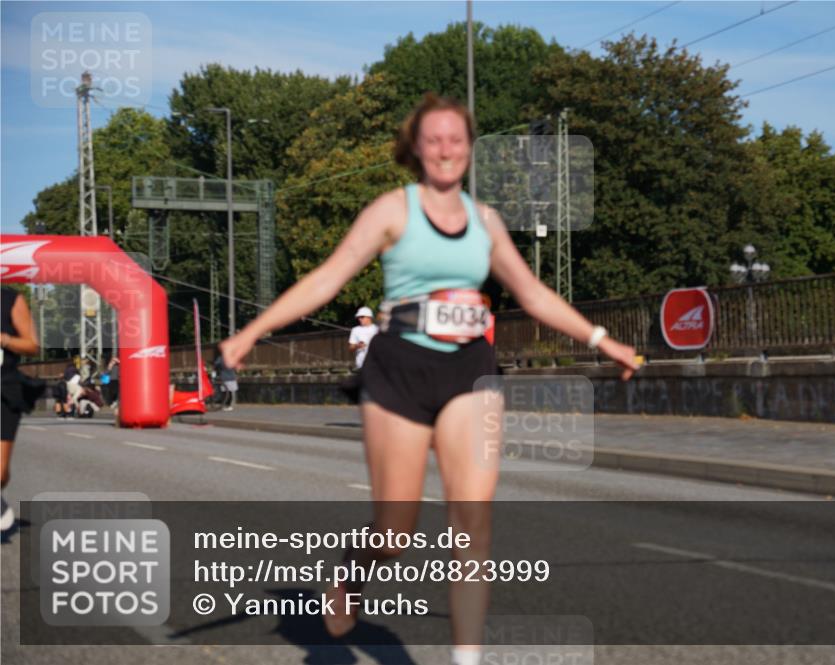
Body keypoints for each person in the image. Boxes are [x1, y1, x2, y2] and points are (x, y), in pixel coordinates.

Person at [219, 93, 638, 665]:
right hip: (399, 372)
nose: (446, 149)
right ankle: (352, 571)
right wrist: (251, 332)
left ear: (469, 150)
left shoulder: (485, 221)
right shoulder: (392, 211)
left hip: (469, 369)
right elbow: (328, 279)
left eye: (456, 140)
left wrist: (602, 339)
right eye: (434, 139)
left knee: (473, 521)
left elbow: (532, 293)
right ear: (416, 149)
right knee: (396, 532)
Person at [1, 287, 41, 531]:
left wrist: (4, 339)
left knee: (1, 472)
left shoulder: (10, 299)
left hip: (3, 389)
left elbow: (31, 345)